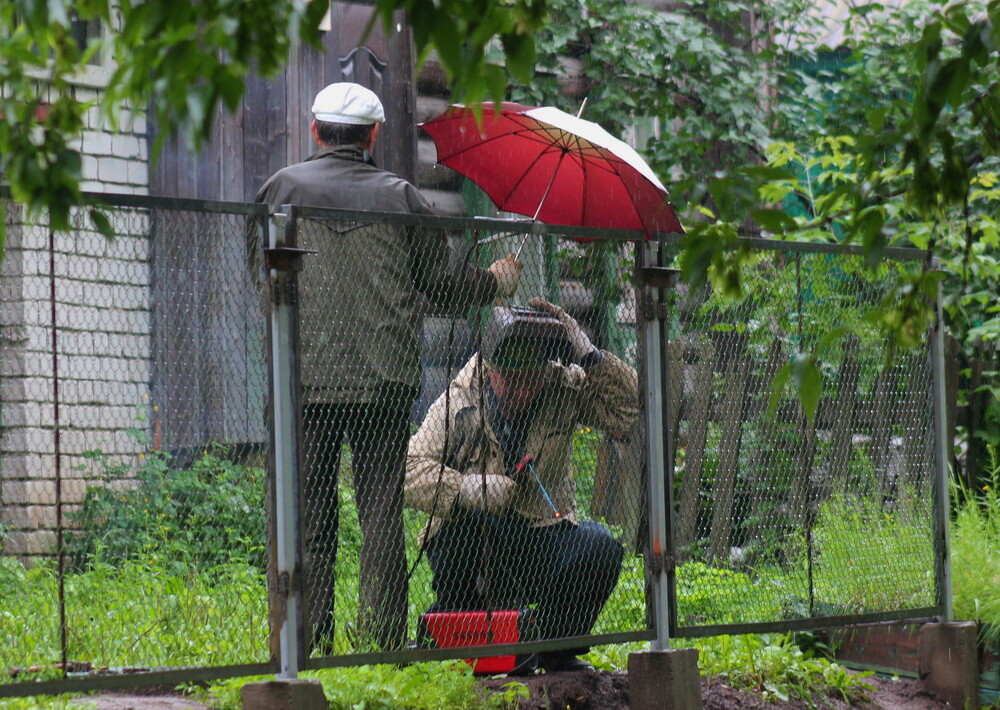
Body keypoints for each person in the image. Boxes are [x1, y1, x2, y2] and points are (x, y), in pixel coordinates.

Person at [254, 82, 523, 652]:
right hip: (383, 381)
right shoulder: (401, 196)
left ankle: (303, 645)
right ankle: (382, 647)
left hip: (302, 380)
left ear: (314, 131)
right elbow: (444, 286)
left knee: (305, 516)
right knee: (380, 519)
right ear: (373, 134)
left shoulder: (281, 188)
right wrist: (494, 281)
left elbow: (261, 273)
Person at [404, 299, 638, 672]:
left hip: (539, 530)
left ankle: (549, 648)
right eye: (508, 381)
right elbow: (407, 470)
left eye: (528, 381)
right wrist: (467, 488)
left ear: (545, 371)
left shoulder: (565, 387)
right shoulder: (459, 397)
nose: (517, 392)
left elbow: (627, 407)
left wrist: (590, 354)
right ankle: (455, 630)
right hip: (471, 536)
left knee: (601, 548)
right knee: (471, 524)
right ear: (489, 369)